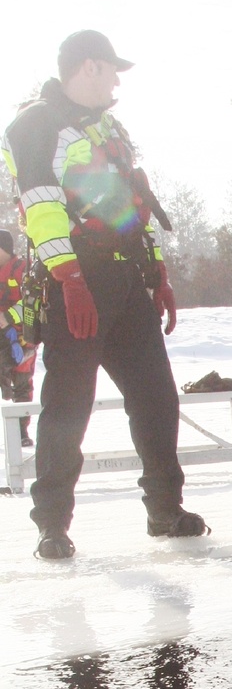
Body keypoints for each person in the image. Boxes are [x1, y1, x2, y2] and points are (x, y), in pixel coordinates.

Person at [1, 30, 205, 560]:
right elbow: (40, 205)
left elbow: (133, 202)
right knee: (68, 405)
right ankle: (52, 523)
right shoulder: (35, 123)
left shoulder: (109, 127)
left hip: (126, 281)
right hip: (75, 282)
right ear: (89, 67)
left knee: (157, 397)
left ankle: (165, 508)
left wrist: (157, 272)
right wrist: (69, 279)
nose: (117, 81)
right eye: (112, 70)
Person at [0, 229, 35, 447]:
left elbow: (33, 299)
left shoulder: (22, 269)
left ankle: (22, 431)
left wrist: (8, 317)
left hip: (21, 336)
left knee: (22, 385)